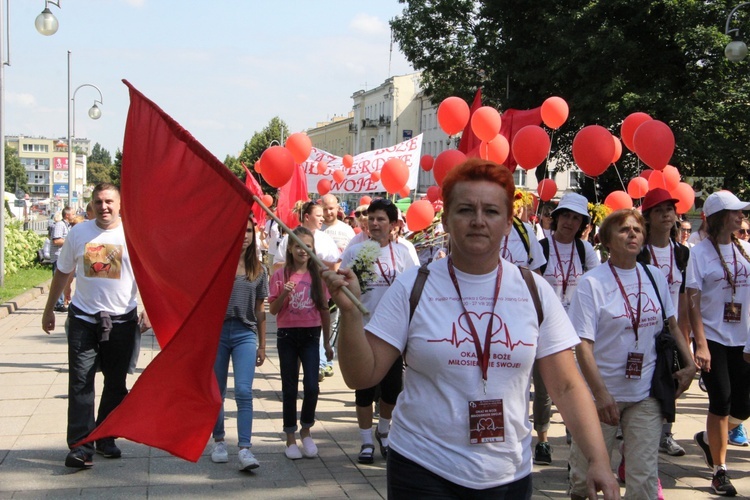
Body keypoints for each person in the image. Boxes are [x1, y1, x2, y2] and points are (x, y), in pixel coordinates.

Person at [324, 158, 620, 499]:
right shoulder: (413, 286)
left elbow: (567, 387)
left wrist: (599, 460)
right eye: (465, 210)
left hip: (507, 472)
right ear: (447, 219)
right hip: (423, 467)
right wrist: (350, 315)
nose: (478, 221)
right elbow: (362, 375)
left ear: (509, 223)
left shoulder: (534, 291)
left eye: (491, 212)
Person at [567, 208, 695, 500]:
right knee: (584, 478)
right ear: (607, 241)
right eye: (624, 230)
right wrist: (601, 395)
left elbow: (672, 324)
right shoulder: (592, 284)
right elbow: (582, 345)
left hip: (645, 392)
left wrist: (689, 364)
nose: (633, 234)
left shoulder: (654, 276)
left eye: (637, 229)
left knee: (644, 477)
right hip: (600, 396)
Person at [41, 183, 140, 469]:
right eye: (98, 201)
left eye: (109, 201)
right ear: (92, 205)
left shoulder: (132, 234)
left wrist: (145, 309)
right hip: (84, 318)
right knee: (81, 381)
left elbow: (148, 273)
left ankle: (105, 436)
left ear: (120, 205)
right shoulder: (79, 232)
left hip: (122, 320)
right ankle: (80, 445)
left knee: (116, 383)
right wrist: (50, 309)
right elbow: (63, 271)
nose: (104, 207)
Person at [340, 198, 419, 464]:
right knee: (363, 388)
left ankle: (383, 431)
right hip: (362, 330)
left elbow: (414, 291)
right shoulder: (355, 251)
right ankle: (364, 442)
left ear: (393, 224)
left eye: (381, 219)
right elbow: (344, 287)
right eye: (371, 218)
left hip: (393, 333)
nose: (374, 223)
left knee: (392, 390)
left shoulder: (404, 252)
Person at [687, 191, 750, 496]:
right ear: (718, 217)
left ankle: (709, 438)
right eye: (735, 212)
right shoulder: (698, 253)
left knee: (744, 405)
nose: (741, 216)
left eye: (742, 212)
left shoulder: (745, 250)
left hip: (743, 339)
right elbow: (693, 302)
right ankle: (719, 471)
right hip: (713, 339)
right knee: (721, 401)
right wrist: (700, 343)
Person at [536, 192, 600, 465]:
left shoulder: (586, 251)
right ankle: (543, 440)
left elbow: (596, 285)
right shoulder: (541, 247)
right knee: (544, 388)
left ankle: (575, 434)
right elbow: (534, 286)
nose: (570, 222)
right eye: (566, 216)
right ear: (556, 217)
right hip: (546, 327)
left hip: (577, 329)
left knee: (579, 384)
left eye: (576, 218)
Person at [637, 189, 692, 459]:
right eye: (659, 210)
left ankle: (665, 435)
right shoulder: (639, 252)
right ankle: (635, 442)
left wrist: (686, 336)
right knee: (645, 387)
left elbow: (684, 298)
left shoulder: (682, 253)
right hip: (644, 328)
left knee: (672, 383)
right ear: (647, 217)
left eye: (670, 209)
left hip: (671, 331)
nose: (667, 214)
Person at [269, 226, 333, 460]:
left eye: (307, 245)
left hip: (311, 335)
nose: (303, 250)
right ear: (290, 248)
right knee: (289, 387)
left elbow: (325, 310)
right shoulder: (280, 275)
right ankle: (290, 438)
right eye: (298, 245)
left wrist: (327, 342)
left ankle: (306, 430)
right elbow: (274, 310)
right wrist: (284, 293)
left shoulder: (318, 276)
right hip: (287, 335)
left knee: (312, 386)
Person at [209, 216, 268, 471]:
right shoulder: (218, 264)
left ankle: (245, 448)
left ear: (253, 235)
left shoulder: (259, 270)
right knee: (217, 392)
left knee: (244, 391)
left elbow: (261, 310)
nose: (244, 235)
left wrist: (263, 344)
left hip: (245, 333)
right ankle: (219, 440)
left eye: (248, 231)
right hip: (218, 334)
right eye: (239, 230)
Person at [320, 194, 355, 379]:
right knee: (321, 321)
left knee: (334, 321)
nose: (328, 212)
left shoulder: (347, 230)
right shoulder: (317, 228)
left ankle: (328, 356)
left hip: (340, 284)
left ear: (337, 208)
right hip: (320, 284)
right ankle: (322, 358)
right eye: (325, 209)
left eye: (331, 208)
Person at [272, 201, 339, 273]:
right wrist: (295, 263)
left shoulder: (326, 240)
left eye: (322, 216)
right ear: (307, 217)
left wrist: (315, 262)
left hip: (319, 283)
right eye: (318, 216)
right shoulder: (290, 237)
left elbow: (336, 267)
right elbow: (276, 266)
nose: (322, 219)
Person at [50, 206, 74, 312]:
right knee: (58, 279)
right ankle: (57, 304)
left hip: (63, 256)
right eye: (73, 214)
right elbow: (56, 240)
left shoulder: (67, 225)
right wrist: (70, 240)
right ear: (67, 215)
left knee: (64, 280)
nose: (75, 216)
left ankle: (60, 302)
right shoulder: (60, 224)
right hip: (58, 256)